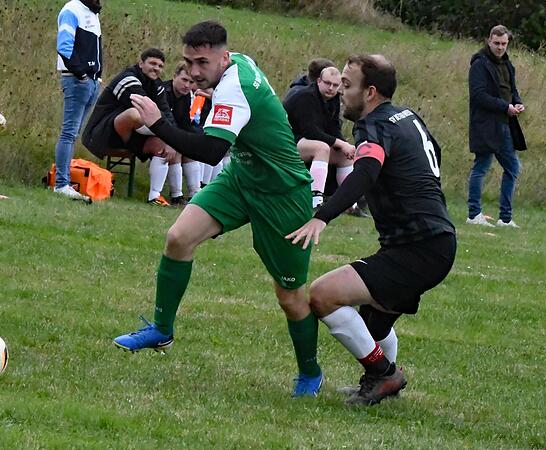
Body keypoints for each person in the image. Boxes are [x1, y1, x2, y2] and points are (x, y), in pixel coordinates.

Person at [113, 21, 324, 397]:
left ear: (223, 58)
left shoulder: (232, 88)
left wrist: (157, 123)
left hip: (282, 192)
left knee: (290, 296)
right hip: (242, 178)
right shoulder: (237, 62)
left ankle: (311, 372)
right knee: (179, 237)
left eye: (202, 63)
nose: (194, 72)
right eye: (188, 62)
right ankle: (161, 329)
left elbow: (211, 151)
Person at [287, 54, 456, 406]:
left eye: (348, 85)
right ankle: (381, 383)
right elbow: (435, 153)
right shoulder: (407, 116)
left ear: (370, 92)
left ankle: (383, 375)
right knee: (373, 325)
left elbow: (365, 172)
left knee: (322, 294)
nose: (341, 91)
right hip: (432, 241)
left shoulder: (373, 125)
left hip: (418, 246)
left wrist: (322, 215)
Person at [81, 48, 177, 206]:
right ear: (141, 63)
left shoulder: (156, 85)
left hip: (134, 135)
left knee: (165, 146)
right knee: (135, 113)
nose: (156, 68)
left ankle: (157, 196)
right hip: (103, 132)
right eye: (152, 63)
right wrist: (169, 136)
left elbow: (166, 112)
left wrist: (171, 139)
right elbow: (143, 107)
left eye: (160, 66)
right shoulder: (127, 78)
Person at [466, 24, 527, 228]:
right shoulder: (479, 64)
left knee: (513, 167)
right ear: (489, 41)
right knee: (482, 166)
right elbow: (478, 96)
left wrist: (517, 103)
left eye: (504, 43)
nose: (500, 47)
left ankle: (505, 218)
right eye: (496, 43)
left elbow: (512, 90)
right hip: (485, 125)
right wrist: (504, 107)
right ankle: (474, 214)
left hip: (505, 124)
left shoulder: (507, 65)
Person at [284, 66, 355, 209]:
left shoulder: (334, 99)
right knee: (321, 148)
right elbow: (310, 131)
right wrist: (341, 143)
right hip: (285, 142)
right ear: (318, 81)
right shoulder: (305, 96)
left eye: (335, 85)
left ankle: (349, 204)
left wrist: (344, 146)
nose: (331, 88)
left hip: (303, 142)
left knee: (345, 155)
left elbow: (334, 128)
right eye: (327, 83)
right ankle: (315, 201)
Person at [54, 0, 103, 200]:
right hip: (77, 80)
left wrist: (96, 78)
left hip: (91, 81)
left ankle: (64, 182)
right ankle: (61, 184)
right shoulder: (71, 10)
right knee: (69, 133)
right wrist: (81, 74)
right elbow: (64, 46)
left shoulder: (93, 13)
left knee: (72, 134)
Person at [161, 62, 212, 206]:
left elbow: (186, 123)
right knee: (177, 149)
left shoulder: (186, 96)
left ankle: (195, 194)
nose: (187, 85)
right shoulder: (163, 91)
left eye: (191, 82)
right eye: (184, 80)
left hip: (174, 132)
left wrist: (196, 139)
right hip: (156, 133)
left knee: (191, 148)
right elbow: (162, 120)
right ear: (174, 76)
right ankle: (176, 195)